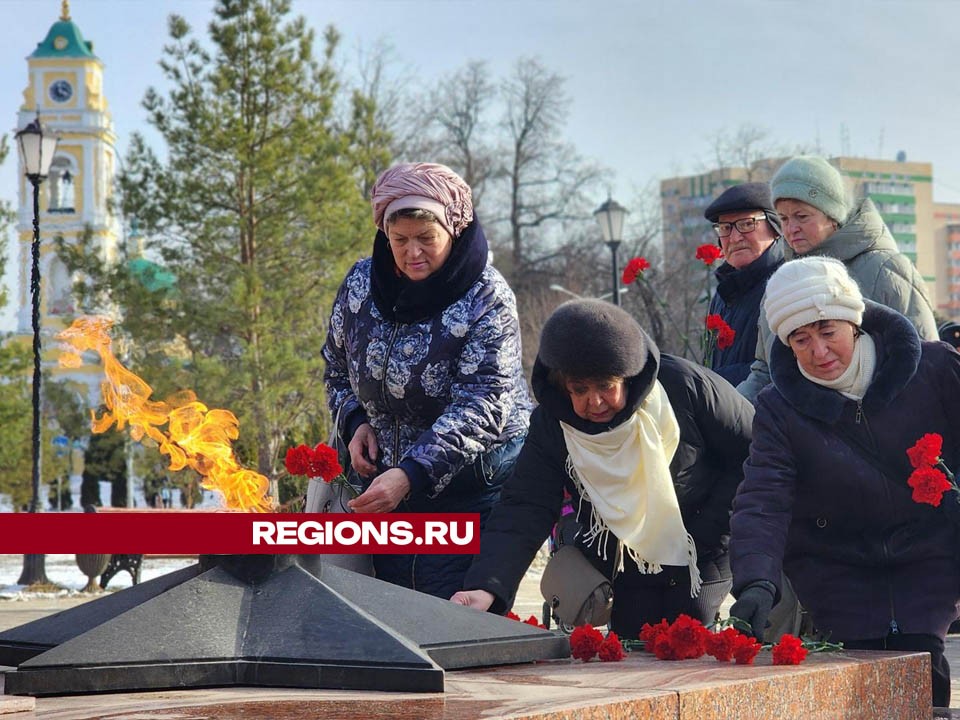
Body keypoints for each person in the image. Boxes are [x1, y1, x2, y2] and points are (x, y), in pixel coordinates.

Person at [729, 256, 960, 707]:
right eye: (801, 338)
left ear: (854, 322)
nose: (819, 352)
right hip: (836, 569)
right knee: (857, 691)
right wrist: (756, 580)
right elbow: (763, 497)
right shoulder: (780, 408)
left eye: (828, 331)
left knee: (922, 671)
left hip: (926, 556)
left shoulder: (933, 369)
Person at [451, 300, 754, 639]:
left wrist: (712, 524)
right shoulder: (554, 424)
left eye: (606, 386)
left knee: (689, 645)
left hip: (702, 550)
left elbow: (754, 454)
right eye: (579, 390)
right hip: (623, 560)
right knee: (629, 650)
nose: (594, 402)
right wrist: (487, 586)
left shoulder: (685, 386)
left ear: (628, 376)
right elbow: (525, 505)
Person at [322, 162, 533, 600]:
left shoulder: (486, 296)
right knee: (385, 614)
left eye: (425, 238)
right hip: (388, 489)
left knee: (445, 621)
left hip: (469, 487)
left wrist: (412, 472)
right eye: (399, 240)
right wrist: (355, 422)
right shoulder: (361, 284)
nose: (412, 252)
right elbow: (335, 367)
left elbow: (485, 401)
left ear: (453, 231)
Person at [737, 155, 937, 402]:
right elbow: (766, 371)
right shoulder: (781, 285)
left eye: (802, 216)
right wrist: (729, 416)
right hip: (795, 433)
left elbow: (927, 361)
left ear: (833, 216)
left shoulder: (886, 269)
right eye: (784, 218)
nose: (791, 229)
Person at [703, 182, 784, 386]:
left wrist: (710, 382)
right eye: (725, 228)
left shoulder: (785, 285)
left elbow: (779, 369)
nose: (735, 237)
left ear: (775, 227)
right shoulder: (722, 295)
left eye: (747, 224)